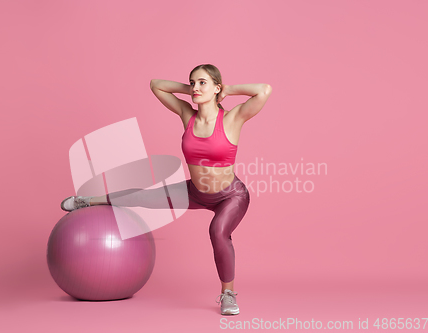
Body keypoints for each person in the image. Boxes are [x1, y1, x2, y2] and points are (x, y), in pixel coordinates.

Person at [61, 64, 272, 315]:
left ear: (216, 87)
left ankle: (228, 294)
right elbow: (156, 84)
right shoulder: (187, 115)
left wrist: (226, 90)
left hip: (230, 196)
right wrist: (192, 91)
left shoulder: (232, 118)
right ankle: (87, 201)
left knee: (218, 231)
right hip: (195, 192)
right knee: (142, 196)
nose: (195, 87)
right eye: (192, 82)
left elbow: (264, 91)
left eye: (202, 82)